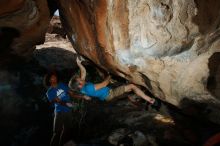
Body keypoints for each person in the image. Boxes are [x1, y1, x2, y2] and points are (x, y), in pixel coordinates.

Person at [69, 57, 160, 107]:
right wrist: (109, 74)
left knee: (126, 89)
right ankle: (151, 100)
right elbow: (105, 83)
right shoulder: (88, 88)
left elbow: (83, 73)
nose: (81, 78)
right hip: (110, 94)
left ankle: (133, 97)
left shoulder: (82, 88)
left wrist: (79, 64)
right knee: (132, 86)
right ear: (79, 85)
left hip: (107, 93)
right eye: (80, 80)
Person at [45, 71, 90, 146]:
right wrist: (68, 104)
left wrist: (82, 96)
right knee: (56, 132)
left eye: (55, 77)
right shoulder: (49, 92)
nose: (55, 78)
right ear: (49, 80)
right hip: (59, 112)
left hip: (68, 111)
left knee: (66, 130)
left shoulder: (62, 85)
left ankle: (61, 144)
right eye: (52, 77)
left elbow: (71, 94)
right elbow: (59, 101)